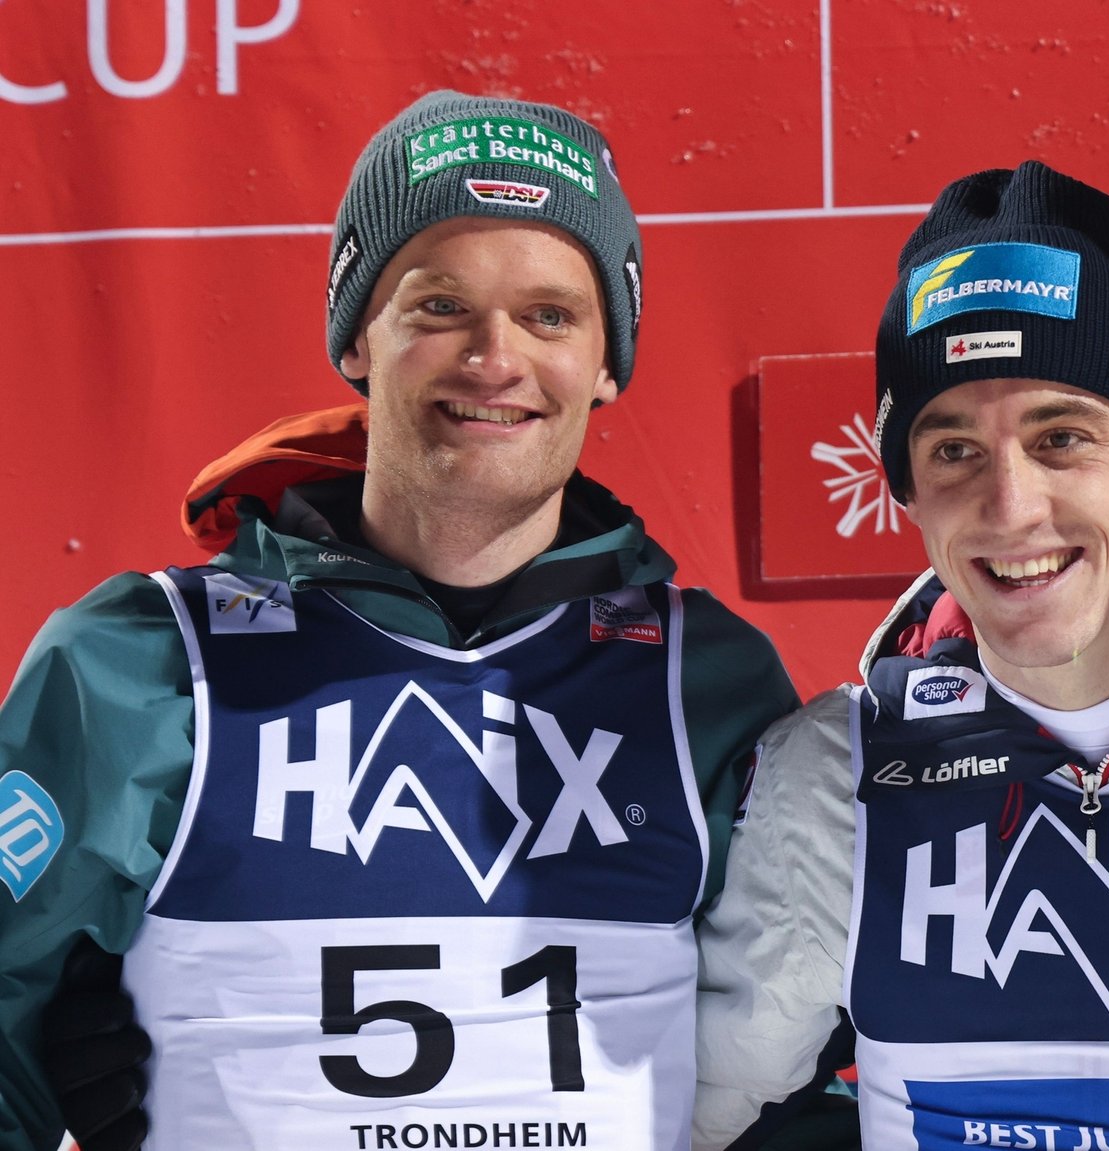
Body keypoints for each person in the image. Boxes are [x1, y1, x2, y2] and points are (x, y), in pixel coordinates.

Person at [0, 91, 797, 1150]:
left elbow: (798, 1072)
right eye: (438, 306)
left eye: (550, 314)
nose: (494, 355)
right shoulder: (137, 660)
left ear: (606, 362)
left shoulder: (708, 680)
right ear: (357, 336)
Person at [692, 160, 1109, 1150]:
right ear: (905, 489)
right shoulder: (839, 770)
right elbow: (689, 1098)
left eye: (1060, 437)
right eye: (953, 449)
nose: (1008, 507)